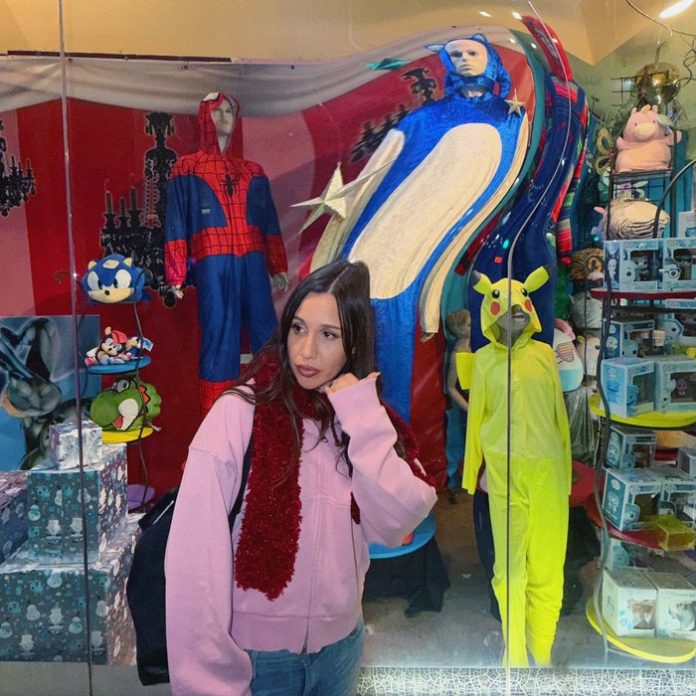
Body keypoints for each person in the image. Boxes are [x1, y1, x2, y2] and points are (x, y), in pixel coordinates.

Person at [164, 259, 437, 695]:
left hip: (341, 648)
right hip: (255, 658)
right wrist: (207, 679)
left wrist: (361, 417)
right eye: (298, 328)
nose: (306, 352)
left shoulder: (360, 417)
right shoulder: (240, 413)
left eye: (328, 335)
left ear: (354, 343)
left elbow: (398, 520)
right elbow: (193, 561)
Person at [310, 33, 528, 421]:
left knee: (392, 358)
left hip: (419, 251)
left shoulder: (511, 119)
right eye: (455, 54)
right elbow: (378, 170)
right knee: (354, 348)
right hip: (379, 240)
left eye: (472, 52)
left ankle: (392, 442)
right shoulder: (423, 119)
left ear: (491, 58)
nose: (463, 59)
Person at [463, 267, 571, 668]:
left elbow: (559, 416)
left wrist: (565, 471)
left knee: (548, 566)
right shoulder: (483, 362)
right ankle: (515, 656)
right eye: (507, 313)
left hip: (547, 473)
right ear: (491, 316)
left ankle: (542, 650)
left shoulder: (543, 355)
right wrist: (473, 471)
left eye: (520, 312)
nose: (515, 319)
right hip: (503, 474)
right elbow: (476, 418)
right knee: (508, 571)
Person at [165, 91, 289, 415]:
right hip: (213, 259)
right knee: (218, 333)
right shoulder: (187, 168)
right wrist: (176, 272)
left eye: (229, 112)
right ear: (203, 117)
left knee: (266, 331)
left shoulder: (253, 171)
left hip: (252, 257)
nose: (223, 117)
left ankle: (274, 410)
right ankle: (216, 416)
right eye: (216, 111)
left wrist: (277, 265)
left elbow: (268, 222)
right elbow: (177, 221)